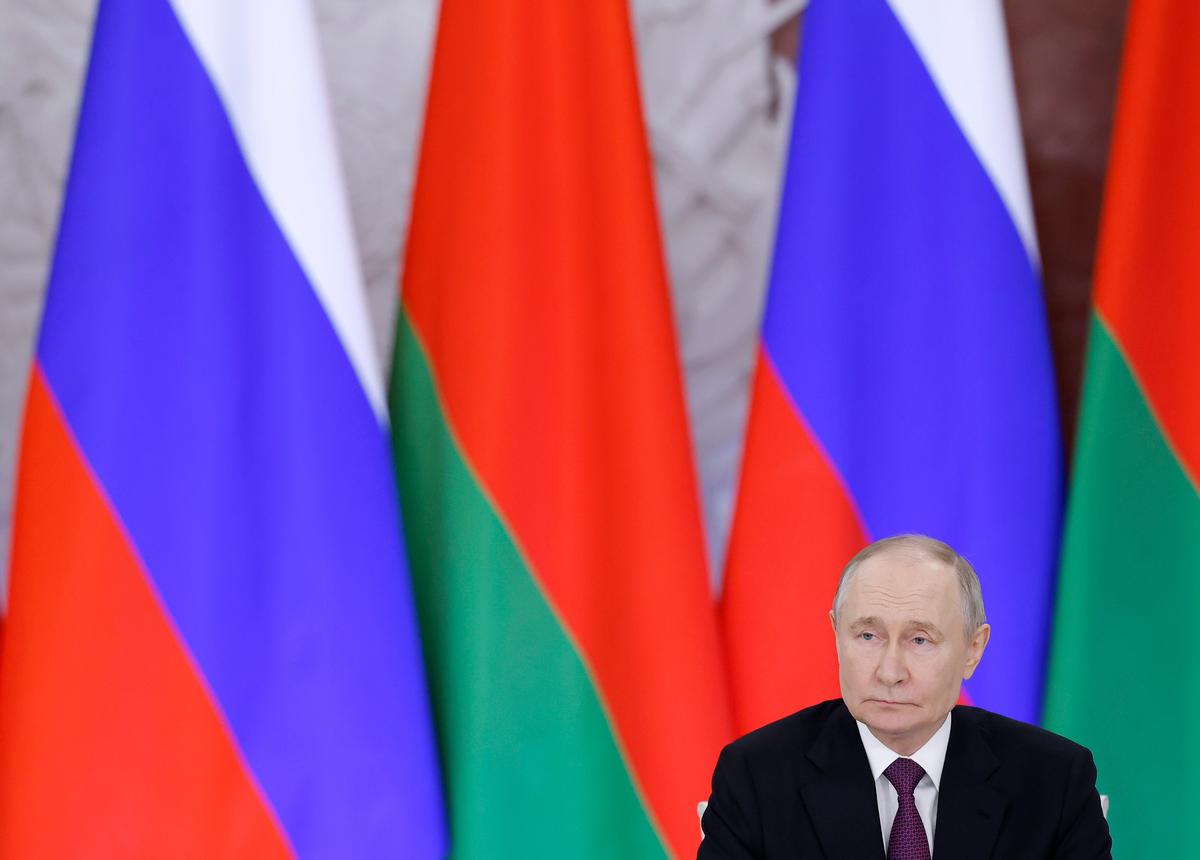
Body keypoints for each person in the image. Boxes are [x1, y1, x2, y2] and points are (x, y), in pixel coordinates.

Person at [699, 534, 1111, 859]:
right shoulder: (756, 775)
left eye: (919, 639)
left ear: (973, 649)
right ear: (836, 633)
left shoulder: (1054, 779)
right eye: (867, 636)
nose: (890, 672)